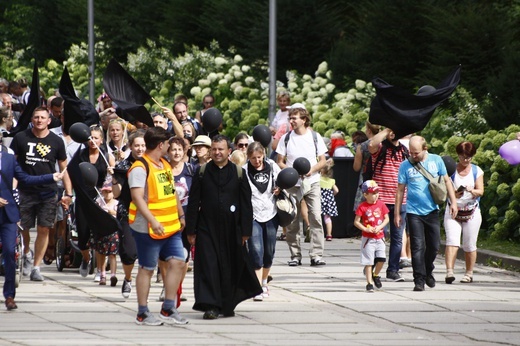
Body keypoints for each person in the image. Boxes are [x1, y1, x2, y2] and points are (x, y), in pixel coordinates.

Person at [186, 135, 261, 320]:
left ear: (229, 151)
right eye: (214, 149)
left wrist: (246, 231)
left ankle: (226, 304)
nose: (217, 152)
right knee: (209, 266)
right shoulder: (202, 172)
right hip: (206, 227)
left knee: (230, 266)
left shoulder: (238, 173)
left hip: (231, 229)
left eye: (221, 149)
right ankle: (211, 305)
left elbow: (246, 204)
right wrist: (191, 230)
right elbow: (194, 201)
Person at [128, 126, 188, 326]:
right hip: (147, 228)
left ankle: (168, 308)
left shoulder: (164, 164)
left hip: (171, 227)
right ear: (161, 145)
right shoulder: (139, 168)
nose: (170, 149)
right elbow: (137, 198)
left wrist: (180, 214)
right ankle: (142, 312)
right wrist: (153, 220)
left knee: (179, 262)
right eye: (168, 145)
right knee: (147, 268)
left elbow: (172, 193)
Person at [9, 107, 72, 281]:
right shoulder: (21, 138)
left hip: (48, 192)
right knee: (23, 227)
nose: (39, 120)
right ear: (32, 119)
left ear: (49, 120)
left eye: (42, 118)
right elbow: (12, 166)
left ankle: (36, 267)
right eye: (36, 117)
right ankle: (27, 252)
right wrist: (11, 189)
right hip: (25, 190)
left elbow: (64, 168)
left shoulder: (56, 141)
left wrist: (68, 193)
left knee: (45, 228)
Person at [0, 151, 63, 310]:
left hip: (8, 213)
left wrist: (50, 177)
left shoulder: (8, 159)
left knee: (9, 251)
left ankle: (9, 295)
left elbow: (25, 178)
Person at [395, 135, 458, 292]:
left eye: (416, 153)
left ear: (425, 149)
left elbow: (447, 181)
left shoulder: (436, 160)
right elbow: (400, 190)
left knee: (434, 245)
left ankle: (428, 269)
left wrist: (453, 202)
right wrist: (397, 213)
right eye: (411, 152)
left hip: (431, 211)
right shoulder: (405, 165)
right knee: (417, 246)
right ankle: (419, 280)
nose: (413, 156)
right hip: (413, 211)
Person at [275, 103, 328, 266]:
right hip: (292, 183)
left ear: (304, 120)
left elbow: (323, 161)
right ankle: (295, 255)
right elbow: (279, 161)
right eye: (290, 118)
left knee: (316, 217)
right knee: (291, 221)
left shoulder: (315, 136)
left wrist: (311, 170)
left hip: (311, 182)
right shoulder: (286, 137)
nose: (291, 120)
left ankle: (317, 254)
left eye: (294, 118)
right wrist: (292, 172)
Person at [368, 127, 409, 282]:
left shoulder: (405, 151)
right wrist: (387, 130)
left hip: (400, 201)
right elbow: (372, 144)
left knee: (397, 238)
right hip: (381, 201)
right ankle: (372, 268)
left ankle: (393, 270)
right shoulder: (380, 148)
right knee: (377, 236)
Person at [76, 125, 116, 281]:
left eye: (96, 138)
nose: (92, 141)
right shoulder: (80, 155)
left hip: (99, 197)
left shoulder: (106, 156)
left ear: (101, 140)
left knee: (100, 235)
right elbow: (72, 173)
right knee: (83, 235)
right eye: (90, 138)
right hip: (82, 197)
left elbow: (112, 179)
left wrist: (112, 173)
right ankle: (86, 259)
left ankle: (101, 270)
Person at [243, 141, 281, 301]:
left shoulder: (272, 166)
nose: (257, 161)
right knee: (256, 251)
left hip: (271, 213)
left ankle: (265, 282)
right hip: (253, 215)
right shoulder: (244, 170)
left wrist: (280, 188)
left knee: (269, 250)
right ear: (248, 158)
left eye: (259, 157)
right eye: (253, 158)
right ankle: (257, 287)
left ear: (263, 155)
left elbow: (283, 182)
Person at [111, 130, 146, 298]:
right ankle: (127, 278)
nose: (140, 149)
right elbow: (116, 194)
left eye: (143, 145)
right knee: (128, 253)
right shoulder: (123, 166)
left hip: (150, 214)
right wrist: (114, 178)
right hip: (128, 214)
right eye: (137, 145)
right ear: (130, 146)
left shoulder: (153, 164)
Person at [444, 141, 484, 284]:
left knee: (470, 244)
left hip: (471, 211)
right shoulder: (451, 169)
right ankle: (449, 271)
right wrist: (454, 194)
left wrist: (472, 191)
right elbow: (445, 190)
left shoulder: (476, 171)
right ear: (458, 155)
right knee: (452, 241)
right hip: (453, 210)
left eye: (468, 157)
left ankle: (469, 272)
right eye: (462, 157)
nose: (465, 160)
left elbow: (481, 190)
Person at [354, 180, 389, 292]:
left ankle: (376, 274)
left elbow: (386, 218)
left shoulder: (381, 204)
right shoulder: (362, 207)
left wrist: (380, 227)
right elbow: (356, 221)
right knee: (368, 262)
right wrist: (365, 229)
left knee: (381, 259)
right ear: (365, 195)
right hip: (368, 239)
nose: (376, 195)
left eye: (377, 192)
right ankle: (369, 283)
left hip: (380, 237)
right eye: (373, 193)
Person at [95, 182, 119, 286]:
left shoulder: (117, 203)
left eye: (110, 192)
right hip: (101, 230)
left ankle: (113, 275)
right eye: (105, 191)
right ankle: (102, 274)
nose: (107, 194)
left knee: (112, 255)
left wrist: (112, 212)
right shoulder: (99, 202)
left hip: (113, 231)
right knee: (101, 254)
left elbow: (120, 216)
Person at [352, 121, 380, 211]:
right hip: (381, 179)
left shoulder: (362, 146)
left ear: (368, 131)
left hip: (365, 179)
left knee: (363, 209)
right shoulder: (384, 144)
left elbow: (356, 167)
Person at [320, 158, 339, 241]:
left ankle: (317, 234)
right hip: (329, 200)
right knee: (327, 218)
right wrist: (331, 195)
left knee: (317, 217)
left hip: (319, 199)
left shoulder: (318, 179)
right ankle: (329, 235)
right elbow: (336, 190)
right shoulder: (332, 181)